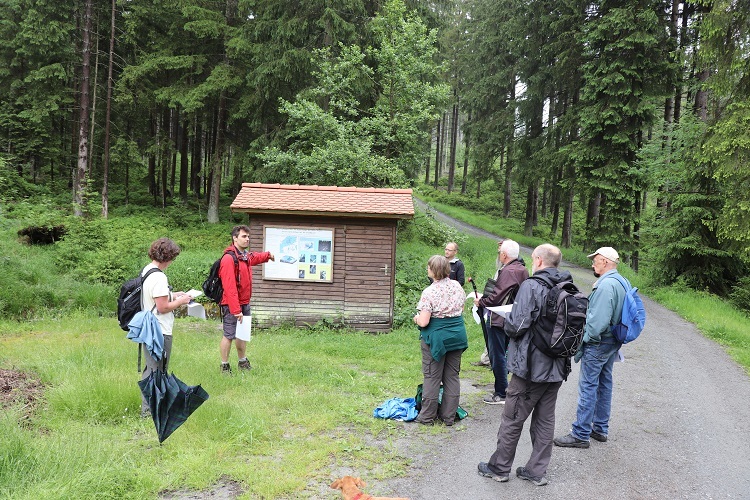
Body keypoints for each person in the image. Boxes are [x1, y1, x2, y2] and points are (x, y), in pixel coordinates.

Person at [477, 244, 572, 486]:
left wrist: (509, 319)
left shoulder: (532, 286)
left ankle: (499, 468)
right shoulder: (569, 286)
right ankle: (536, 471)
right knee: (545, 420)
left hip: (531, 368)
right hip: (557, 367)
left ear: (538, 260)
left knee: (512, 417)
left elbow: (517, 326)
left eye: (533, 259)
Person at [554, 246, 626, 448]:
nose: (592, 263)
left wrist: (583, 340)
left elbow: (597, 323)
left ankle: (580, 433)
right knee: (604, 383)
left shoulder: (605, 286)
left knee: (588, 385)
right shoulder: (621, 281)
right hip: (612, 341)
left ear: (605, 261)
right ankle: (600, 429)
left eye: (595, 260)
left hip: (599, 342)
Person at [140, 238, 194, 417]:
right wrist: (181, 301)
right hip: (160, 330)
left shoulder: (148, 270)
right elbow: (162, 307)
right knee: (157, 370)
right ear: (167, 257)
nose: (172, 261)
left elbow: (155, 298)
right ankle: (150, 412)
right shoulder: (160, 277)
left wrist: (173, 295)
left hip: (148, 327)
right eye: (173, 257)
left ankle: (151, 409)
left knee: (151, 369)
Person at [413, 255, 469, 426]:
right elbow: (462, 308)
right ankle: (449, 417)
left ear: (432, 270)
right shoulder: (457, 286)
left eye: (428, 267)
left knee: (432, 376)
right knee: (452, 376)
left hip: (437, 338)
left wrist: (415, 318)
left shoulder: (429, 291)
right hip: (456, 335)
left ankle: (427, 417)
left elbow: (424, 321)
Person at [473, 239, 527, 404]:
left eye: (500, 253)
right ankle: (506, 389)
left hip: (498, 318)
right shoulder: (523, 269)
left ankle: (501, 393)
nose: (499, 255)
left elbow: (497, 296)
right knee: (505, 354)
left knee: (496, 355)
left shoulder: (508, 271)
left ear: (504, 255)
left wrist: (481, 302)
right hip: (513, 318)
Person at [219, 225, 274, 373]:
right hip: (231, 305)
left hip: (244, 303)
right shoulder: (228, 259)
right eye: (244, 236)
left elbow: (255, 257)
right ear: (234, 238)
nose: (247, 239)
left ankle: (242, 362)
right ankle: (224, 365)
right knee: (229, 335)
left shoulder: (244, 256)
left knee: (242, 333)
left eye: (248, 237)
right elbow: (229, 287)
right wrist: (236, 310)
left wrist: (268, 255)